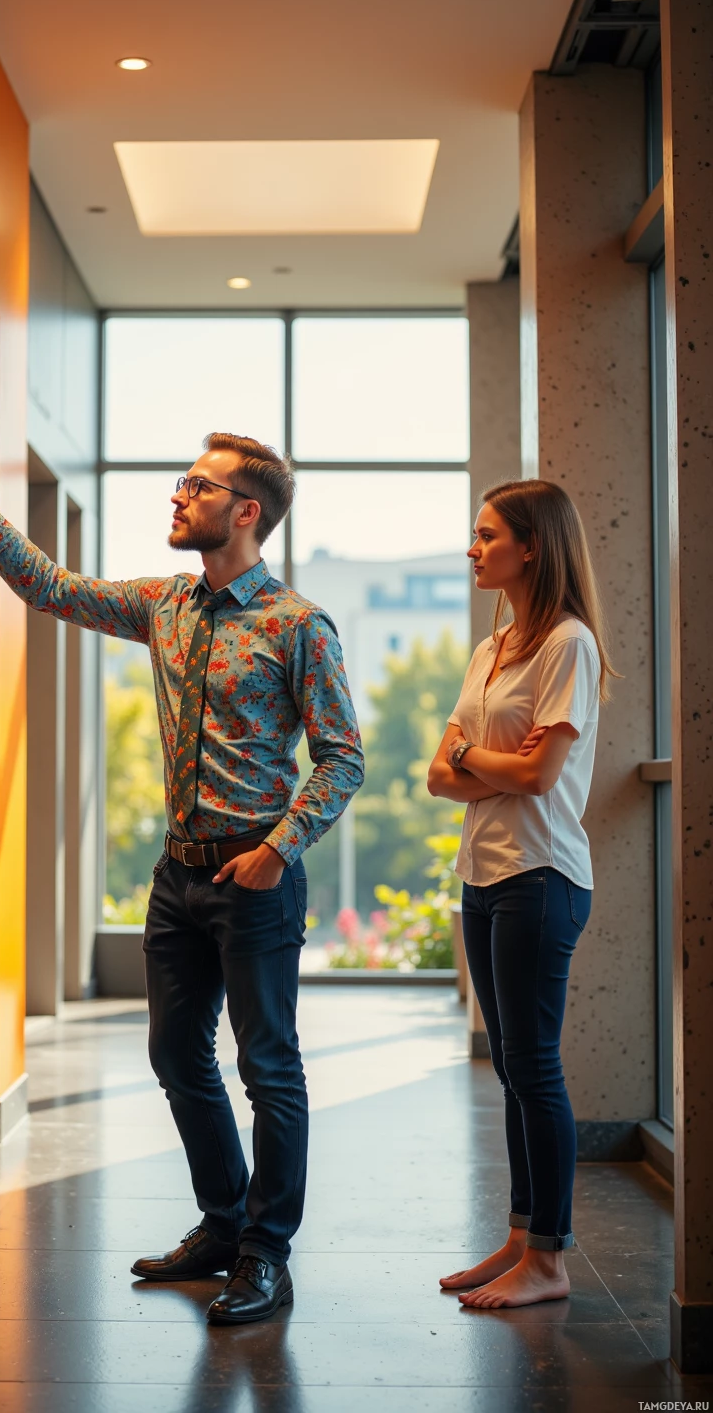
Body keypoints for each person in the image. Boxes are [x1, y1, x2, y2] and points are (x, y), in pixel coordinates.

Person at [0, 419, 364, 1324]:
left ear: (246, 510)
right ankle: (223, 1224)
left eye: (196, 485)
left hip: (256, 875)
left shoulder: (297, 624)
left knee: (269, 1067)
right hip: (176, 874)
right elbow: (49, 587)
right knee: (176, 1055)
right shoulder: (166, 606)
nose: (178, 495)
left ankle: (267, 1255)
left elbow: (343, 757)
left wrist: (279, 850)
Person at [427, 478, 616, 1309]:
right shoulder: (491, 648)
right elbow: (437, 775)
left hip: (541, 878)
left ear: (531, 546)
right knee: (510, 1068)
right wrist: (472, 763)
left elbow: (538, 777)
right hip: (484, 875)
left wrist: (475, 759)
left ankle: (549, 1259)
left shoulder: (567, 644)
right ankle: (518, 1236)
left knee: (534, 1067)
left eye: (486, 535)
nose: (473, 548)